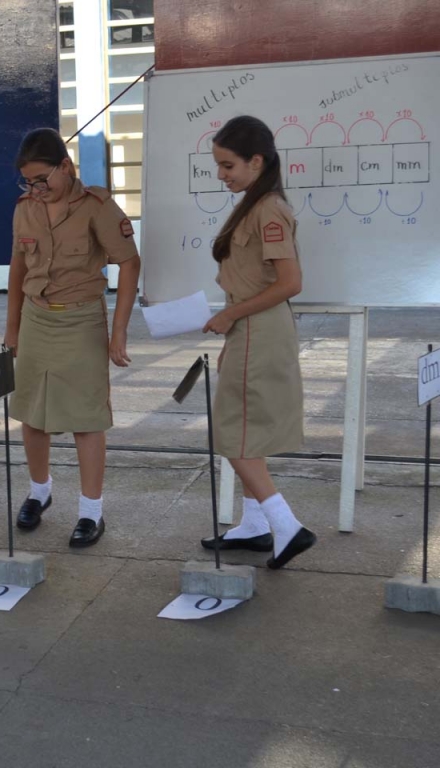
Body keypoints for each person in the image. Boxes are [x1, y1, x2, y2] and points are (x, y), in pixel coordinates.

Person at [4, 128, 141, 548]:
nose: (36, 189)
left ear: (66, 166)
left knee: (86, 418)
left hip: (82, 321)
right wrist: (12, 328)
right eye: (28, 182)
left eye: (42, 180)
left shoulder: (97, 207)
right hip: (35, 319)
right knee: (30, 413)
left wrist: (118, 333)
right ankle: (39, 491)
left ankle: (90, 513)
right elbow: (17, 269)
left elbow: (130, 264)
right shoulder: (25, 208)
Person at [200, 115, 317, 569]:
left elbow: (290, 282)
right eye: (218, 165)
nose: (221, 174)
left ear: (256, 160)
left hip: (257, 326)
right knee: (244, 429)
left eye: (228, 165)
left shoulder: (268, 208)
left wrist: (230, 314)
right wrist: (233, 327)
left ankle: (286, 526)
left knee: (232, 433)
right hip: (250, 329)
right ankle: (254, 526)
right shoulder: (254, 202)